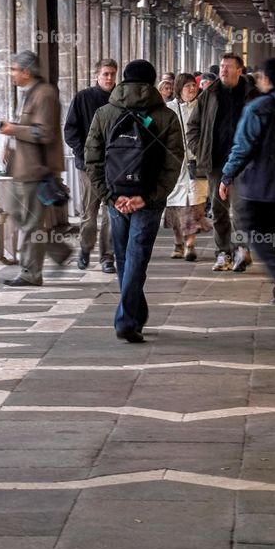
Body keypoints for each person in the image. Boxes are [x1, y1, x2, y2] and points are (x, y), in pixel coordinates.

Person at [84, 58, 183, 342]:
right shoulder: (166, 117)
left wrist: (110, 196)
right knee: (137, 257)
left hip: (116, 198)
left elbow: (93, 159)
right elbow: (173, 163)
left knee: (125, 258)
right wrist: (149, 197)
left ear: (123, 79)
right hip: (147, 201)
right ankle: (128, 320)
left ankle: (134, 314)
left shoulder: (105, 113)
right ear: (152, 82)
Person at [218, 57, 275, 306]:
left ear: (264, 78)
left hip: (261, 185)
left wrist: (227, 174)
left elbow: (243, 147)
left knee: (254, 229)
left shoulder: (257, 108)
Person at [0, 51, 72, 286]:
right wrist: (10, 143)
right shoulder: (29, 94)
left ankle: (31, 273)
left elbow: (44, 132)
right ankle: (58, 250)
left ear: (26, 71)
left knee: (30, 223)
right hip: (22, 167)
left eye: (14, 70)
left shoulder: (45, 94)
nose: (11, 74)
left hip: (36, 169)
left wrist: (13, 130)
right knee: (17, 214)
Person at [187, 53, 257, 273]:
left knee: (240, 209)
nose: (224, 70)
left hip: (243, 163)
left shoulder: (251, 95)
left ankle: (240, 250)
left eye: (229, 67)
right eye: (222, 67)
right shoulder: (209, 94)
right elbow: (193, 127)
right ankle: (223, 253)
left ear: (240, 70)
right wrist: (200, 150)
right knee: (218, 210)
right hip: (216, 162)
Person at [64, 58, 118, 274]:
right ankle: (85, 249)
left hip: (115, 166)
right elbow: (70, 130)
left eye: (113, 74)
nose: (109, 78)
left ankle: (107, 257)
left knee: (111, 213)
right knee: (89, 212)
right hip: (88, 166)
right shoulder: (83, 97)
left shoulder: (120, 99)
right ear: (97, 75)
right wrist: (84, 154)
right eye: (105, 74)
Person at [164, 73, 208, 261]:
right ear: (179, 88)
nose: (192, 88)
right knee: (176, 205)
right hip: (174, 164)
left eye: (193, 85)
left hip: (196, 162)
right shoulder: (168, 109)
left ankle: (190, 244)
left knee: (195, 205)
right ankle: (178, 242)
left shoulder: (202, 108)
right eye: (188, 86)